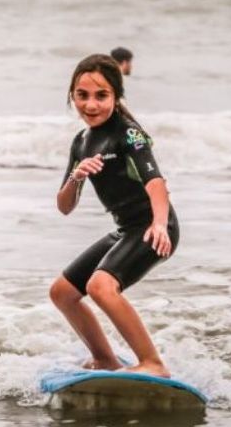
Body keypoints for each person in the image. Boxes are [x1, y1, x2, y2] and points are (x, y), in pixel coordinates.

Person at [49, 54, 178, 378]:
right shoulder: (81, 142)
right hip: (125, 229)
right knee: (62, 293)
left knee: (101, 286)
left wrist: (160, 223)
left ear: (116, 96)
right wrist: (77, 177)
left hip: (153, 227)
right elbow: (65, 206)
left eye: (101, 96)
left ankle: (153, 363)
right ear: (72, 96)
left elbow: (155, 182)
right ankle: (105, 359)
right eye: (82, 95)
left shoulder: (128, 133)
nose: (91, 105)